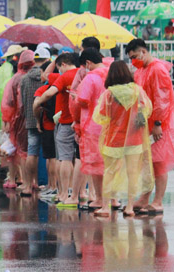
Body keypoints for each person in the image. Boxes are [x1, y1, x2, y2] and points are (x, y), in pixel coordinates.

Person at [126, 39, 174, 214]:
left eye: (134, 56)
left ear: (143, 52)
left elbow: (162, 99)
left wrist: (157, 124)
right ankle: (145, 198)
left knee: (158, 162)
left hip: (159, 124)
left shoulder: (158, 70)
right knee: (147, 162)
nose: (133, 61)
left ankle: (158, 201)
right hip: (146, 123)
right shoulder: (141, 71)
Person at [93, 61, 154, 217]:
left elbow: (102, 116)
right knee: (133, 173)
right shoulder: (137, 91)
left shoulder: (109, 94)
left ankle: (105, 207)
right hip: (135, 140)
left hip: (114, 140)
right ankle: (130, 208)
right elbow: (147, 109)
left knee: (110, 172)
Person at [33, 52, 80, 205]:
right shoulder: (84, 74)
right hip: (81, 123)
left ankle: (63, 193)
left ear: (63, 64)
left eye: (59, 67)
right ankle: (81, 192)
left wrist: (38, 102)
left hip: (65, 121)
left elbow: (46, 78)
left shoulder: (64, 77)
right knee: (80, 159)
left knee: (64, 158)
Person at [73, 48, 109, 210]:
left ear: (88, 63)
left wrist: (75, 98)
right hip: (112, 125)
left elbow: (82, 101)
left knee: (96, 164)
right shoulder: (113, 74)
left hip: (93, 126)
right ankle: (113, 200)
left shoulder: (91, 78)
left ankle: (99, 199)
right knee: (111, 164)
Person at [1, 50, 36, 195]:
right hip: (35, 117)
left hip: (18, 119)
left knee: (19, 151)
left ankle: (17, 179)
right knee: (32, 152)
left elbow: (8, 102)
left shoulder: (16, 79)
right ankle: (33, 181)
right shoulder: (39, 77)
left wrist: (6, 120)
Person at [18, 48, 47, 195]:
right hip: (46, 120)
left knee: (31, 152)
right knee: (50, 155)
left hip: (30, 120)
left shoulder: (24, 79)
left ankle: (29, 185)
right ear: (47, 60)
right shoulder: (48, 77)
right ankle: (47, 185)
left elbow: (22, 102)